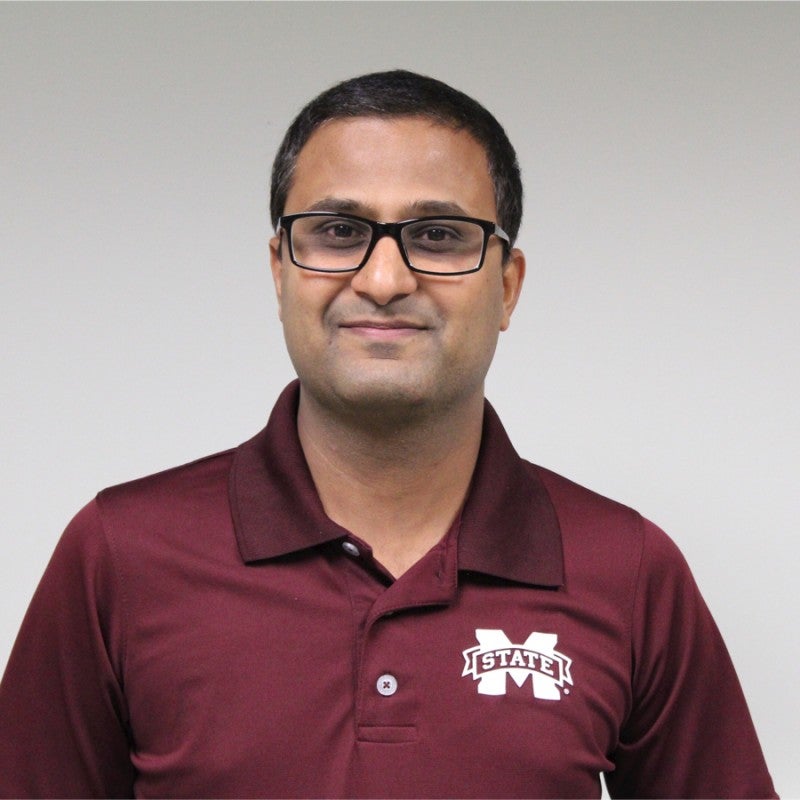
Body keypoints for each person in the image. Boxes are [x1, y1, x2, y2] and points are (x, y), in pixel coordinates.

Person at [0, 70, 777, 799]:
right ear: (280, 271)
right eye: (338, 230)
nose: (383, 279)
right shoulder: (121, 554)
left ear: (506, 285)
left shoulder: (628, 569)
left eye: (438, 235)